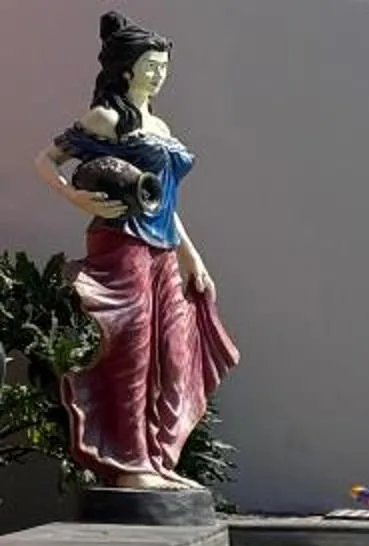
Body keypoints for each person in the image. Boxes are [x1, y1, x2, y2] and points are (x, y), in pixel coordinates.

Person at [29, 12, 240, 492]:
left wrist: (191, 255)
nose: (159, 74)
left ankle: (157, 458)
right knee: (131, 349)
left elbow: (162, 197)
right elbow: (46, 159)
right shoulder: (105, 117)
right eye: (150, 65)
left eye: (163, 65)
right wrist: (75, 196)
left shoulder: (159, 124)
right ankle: (129, 464)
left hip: (162, 246)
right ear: (126, 68)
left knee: (172, 351)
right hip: (121, 243)